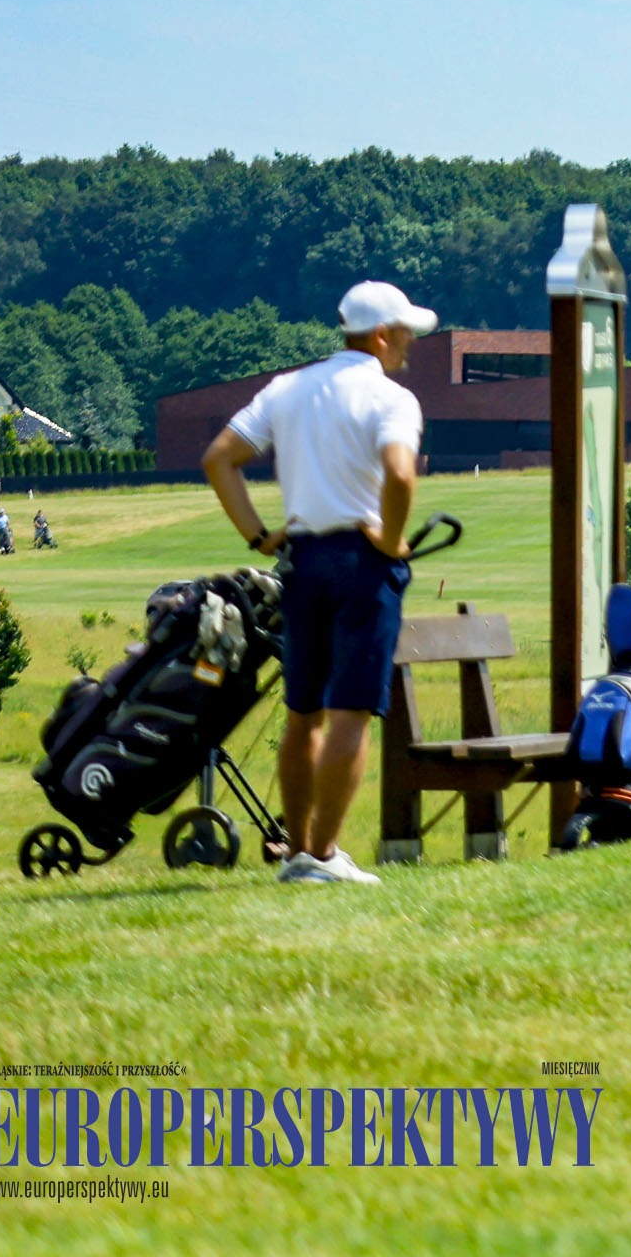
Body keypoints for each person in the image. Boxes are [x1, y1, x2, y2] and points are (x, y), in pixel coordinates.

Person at [202, 281, 435, 887]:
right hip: (363, 562)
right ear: (380, 336)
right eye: (404, 332)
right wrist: (390, 540)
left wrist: (259, 536)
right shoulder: (393, 399)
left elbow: (219, 458)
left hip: (301, 561)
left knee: (303, 713)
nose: (409, 342)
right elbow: (400, 476)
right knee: (350, 713)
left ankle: (299, 853)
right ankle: (324, 855)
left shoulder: (287, 389)